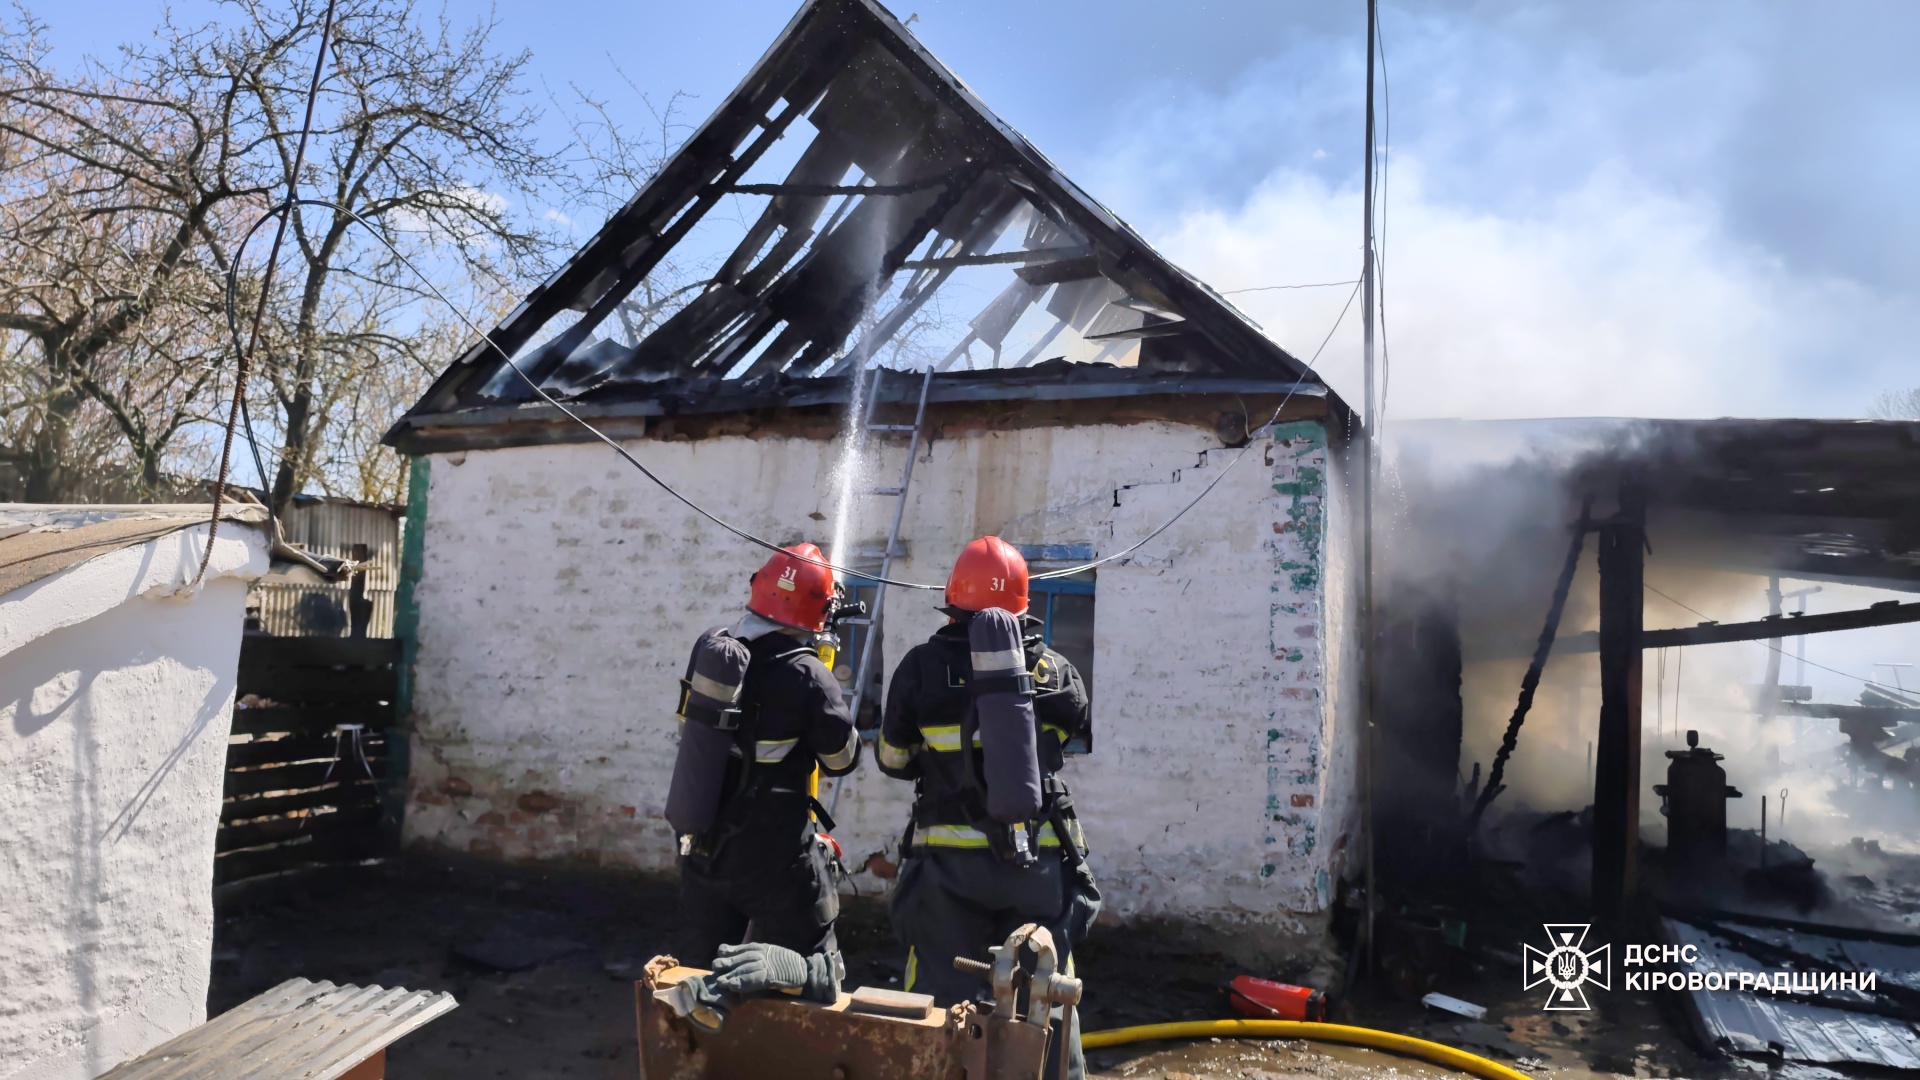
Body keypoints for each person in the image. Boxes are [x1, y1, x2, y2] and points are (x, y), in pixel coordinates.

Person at [877, 536, 1100, 1080]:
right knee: (1046, 992)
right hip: (1037, 862)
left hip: (947, 869)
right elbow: (1069, 737)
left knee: (937, 994)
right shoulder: (1057, 672)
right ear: (1023, 604)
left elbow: (893, 759)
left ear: (953, 598)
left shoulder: (920, 668)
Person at [665, 543, 860, 972]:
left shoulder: (713, 649)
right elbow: (842, 760)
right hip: (777, 859)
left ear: (758, 586)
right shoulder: (809, 674)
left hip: (705, 848)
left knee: (697, 971)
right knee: (805, 971)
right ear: (820, 608)